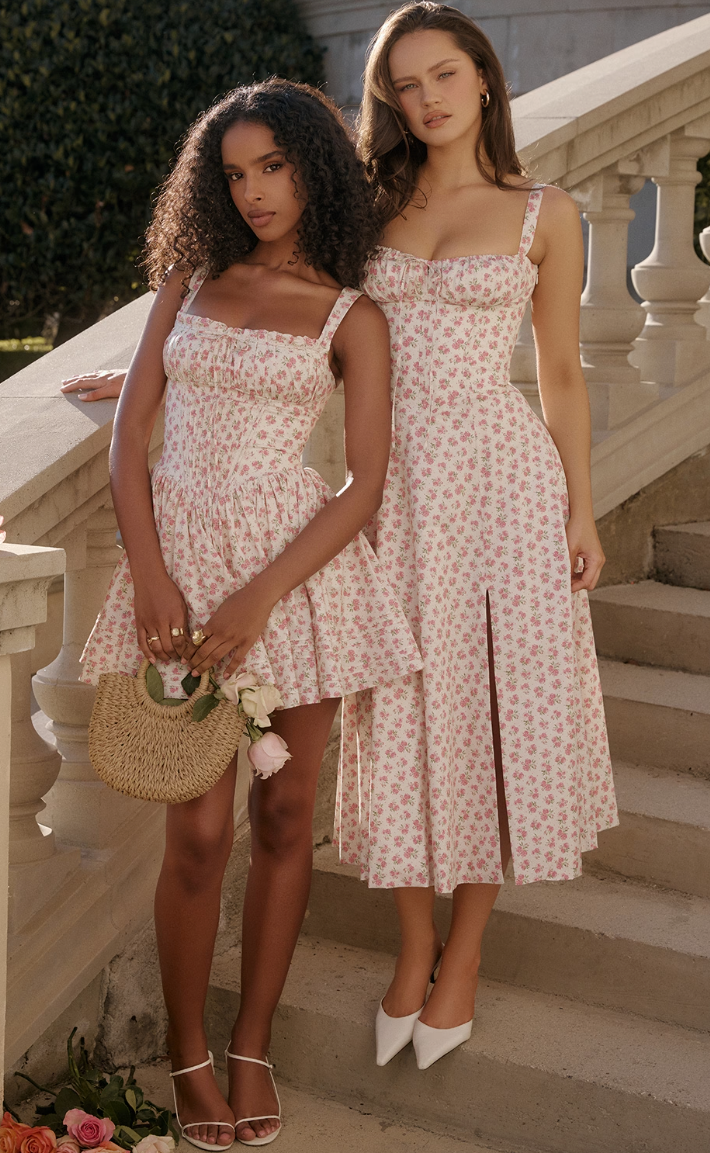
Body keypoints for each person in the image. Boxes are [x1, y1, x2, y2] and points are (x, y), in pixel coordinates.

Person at [75, 79, 421, 1146]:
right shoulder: (188, 281)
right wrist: (153, 575)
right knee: (200, 828)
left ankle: (251, 1044)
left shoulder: (350, 313)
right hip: (177, 566)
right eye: (234, 172)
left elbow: (363, 482)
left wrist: (263, 592)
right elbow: (131, 438)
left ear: (315, 165)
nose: (255, 190)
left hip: (290, 578)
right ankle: (187, 1059)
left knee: (282, 817)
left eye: (273, 165)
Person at [335, 1, 618, 1070]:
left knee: (498, 706)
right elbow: (286, 312)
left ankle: (467, 955)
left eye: (443, 74)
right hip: (393, 488)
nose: (426, 99)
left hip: (504, 484)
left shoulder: (545, 211)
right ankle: (415, 945)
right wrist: (153, 373)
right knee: (399, 706)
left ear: (484, 79)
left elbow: (559, 374)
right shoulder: (363, 207)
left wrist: (579, 509)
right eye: (404, 86)